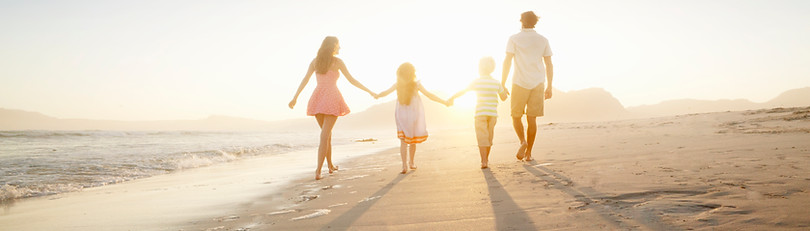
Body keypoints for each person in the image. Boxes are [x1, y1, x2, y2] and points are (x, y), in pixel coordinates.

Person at [289, 36, 377, 180]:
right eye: (338, 45)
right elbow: (352, 80)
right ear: (333, 46)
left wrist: (295, 97)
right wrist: (370, 91)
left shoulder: (315, 61)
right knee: (325, 136)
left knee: (326, 134)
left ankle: (330, 166)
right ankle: (318, 171)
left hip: (317, 97)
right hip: (331, 98)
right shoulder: (337, 62)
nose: (340, 48)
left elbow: (305, 79)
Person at [374, 62, 450, 174]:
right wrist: (444, 102)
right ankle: (411, 162)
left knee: (403, 141)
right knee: (412, 140)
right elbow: (429, 95)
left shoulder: (397, 85)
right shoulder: (416, 84)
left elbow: (385, 93)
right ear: (412, 72)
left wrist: (377, 95)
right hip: (414, 115)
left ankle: (404, 165)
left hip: (401, 115)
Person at [501, 11, 554, 161]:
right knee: (532, 120)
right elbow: (549, 64)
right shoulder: (543, 40)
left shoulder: (514, 39)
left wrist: (503, 83)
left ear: (521, 21)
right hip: (538, 83)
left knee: (516, 116)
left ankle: (522, 142)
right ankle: (529, 153)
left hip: (519, 82)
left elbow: (507, 62)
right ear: (535, 22)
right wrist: (549, 86)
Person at [448, 57, 508, 169]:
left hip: (480, 113)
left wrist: (452, 98)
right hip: (492, 114)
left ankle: (483, 161)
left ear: (479, 68)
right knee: (489, 138)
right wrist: (504, 90)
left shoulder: (476, 81)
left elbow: (463, 91)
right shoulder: (496, 82)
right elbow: (503, 97)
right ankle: (486, 159)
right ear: (493, 68)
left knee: (482, 137)